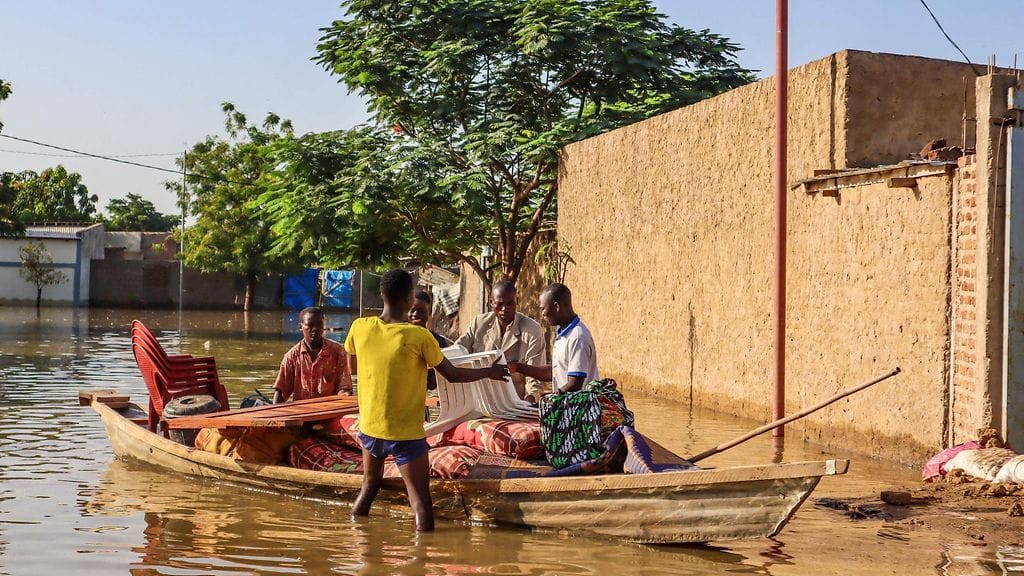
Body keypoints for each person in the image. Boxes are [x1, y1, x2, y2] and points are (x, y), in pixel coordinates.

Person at [345, 269, 507, 532]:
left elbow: (353, 368)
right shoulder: (420, 337)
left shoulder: (360, 327)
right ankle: (423, 552)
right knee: (421, 503)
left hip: (370, 430)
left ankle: (357, 541)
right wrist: (490, 371)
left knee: (369, 486)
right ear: (409, 299)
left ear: (382, 295)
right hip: (405, 435)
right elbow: (452, 375)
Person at [455, 280, 546, 402]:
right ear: (491, 303)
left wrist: (529, 400)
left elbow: (535, 377)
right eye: (499, 304)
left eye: (510, 304)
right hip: (480, 400)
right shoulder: (479, 324)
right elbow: (458, 351)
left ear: (517, 301)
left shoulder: (532, 330)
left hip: (514, 403)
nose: (504, 309)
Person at [507, 283, 598, 396]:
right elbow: (555, 371)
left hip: (581, 406)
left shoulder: (577, 337)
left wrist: (550, 399)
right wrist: (518, 367)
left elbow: (575, 384)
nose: (542, 314)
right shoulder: (563, 334)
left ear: (556, 307)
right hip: (567, 404)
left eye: (543, 309)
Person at [273, 306, 352, 404]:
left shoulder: (337, 352)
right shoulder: (292, 357)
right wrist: (273, 412)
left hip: (331, 409)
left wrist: (343, 399)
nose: (315, 329)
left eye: (319, 324)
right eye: (310, 325)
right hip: (302, 410)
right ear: (300, 327)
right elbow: (281, 391)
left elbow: (345, 388)